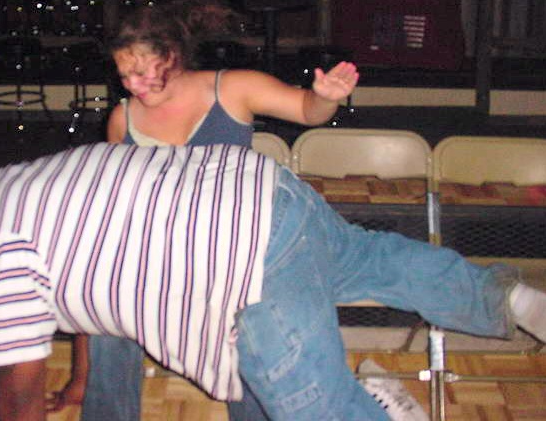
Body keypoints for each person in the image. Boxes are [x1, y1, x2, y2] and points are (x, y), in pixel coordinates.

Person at [0, 143, 545, 421]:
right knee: (370, 260)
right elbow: (86, 285)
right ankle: (509, 298)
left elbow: (18, 393)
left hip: (245, 254)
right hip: (265, 188)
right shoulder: (22, 181)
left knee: (312, 406)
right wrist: (83, 381)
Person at [50, 0, 359, 419]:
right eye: (124, 76)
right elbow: (118, 204)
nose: (133, 85)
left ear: (172, 57)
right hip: (164, 258)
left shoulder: (232, 88)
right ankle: (96, 397)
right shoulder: (123, 119)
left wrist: (325, 98)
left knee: (249, 329)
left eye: (142, 72)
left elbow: (306, 109)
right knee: (103, 296)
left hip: (231, 255)